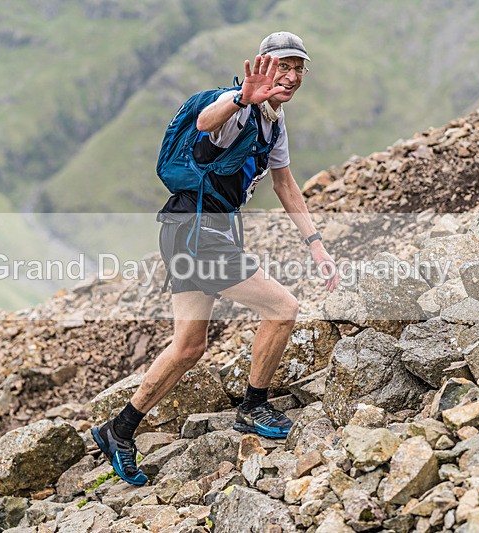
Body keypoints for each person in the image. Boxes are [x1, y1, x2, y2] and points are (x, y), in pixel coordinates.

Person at [92, 31, 339, 486]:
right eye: (283, 66)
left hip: (188, 230)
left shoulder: (274, 123)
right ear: (262, 65)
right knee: (282, 308)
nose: (291, 76)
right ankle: (253, 406)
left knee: (189, 346)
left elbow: (284, 184)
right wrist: (243, 98)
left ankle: (119, 429)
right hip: (196, 231)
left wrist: (316, 244)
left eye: (298, 68)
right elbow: (206, 121)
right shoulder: (237, 105)